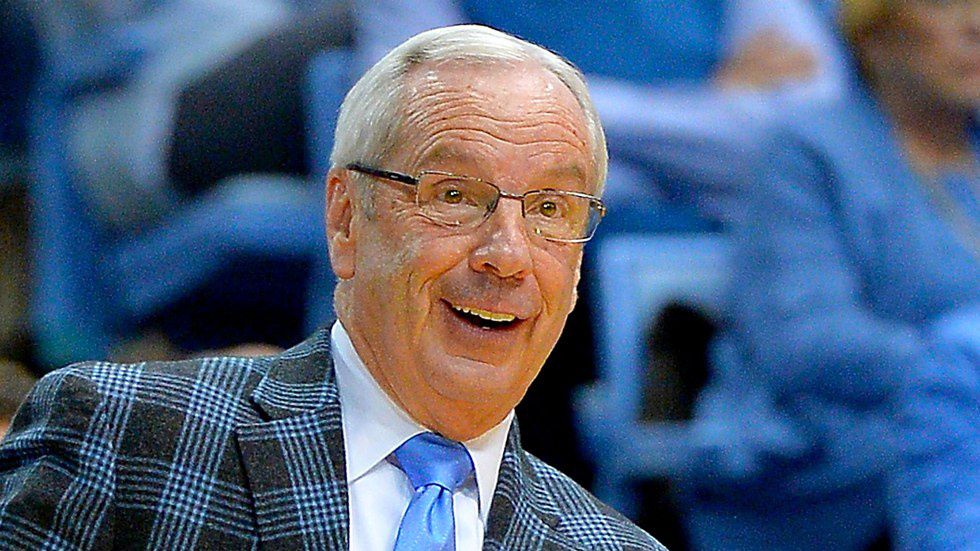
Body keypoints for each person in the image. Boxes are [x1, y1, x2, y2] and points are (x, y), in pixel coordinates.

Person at [0, 25, 666, 550]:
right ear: (346, 219)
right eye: (454, 196)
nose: (508, 255)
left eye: (551, 209)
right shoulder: (123, 437)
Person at [681, 0, 979, 549]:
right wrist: (960, 370)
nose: (975, 24)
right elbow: (807, 343)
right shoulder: (808, 151)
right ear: (872, 32)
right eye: (944, 4)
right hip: (827, 461)